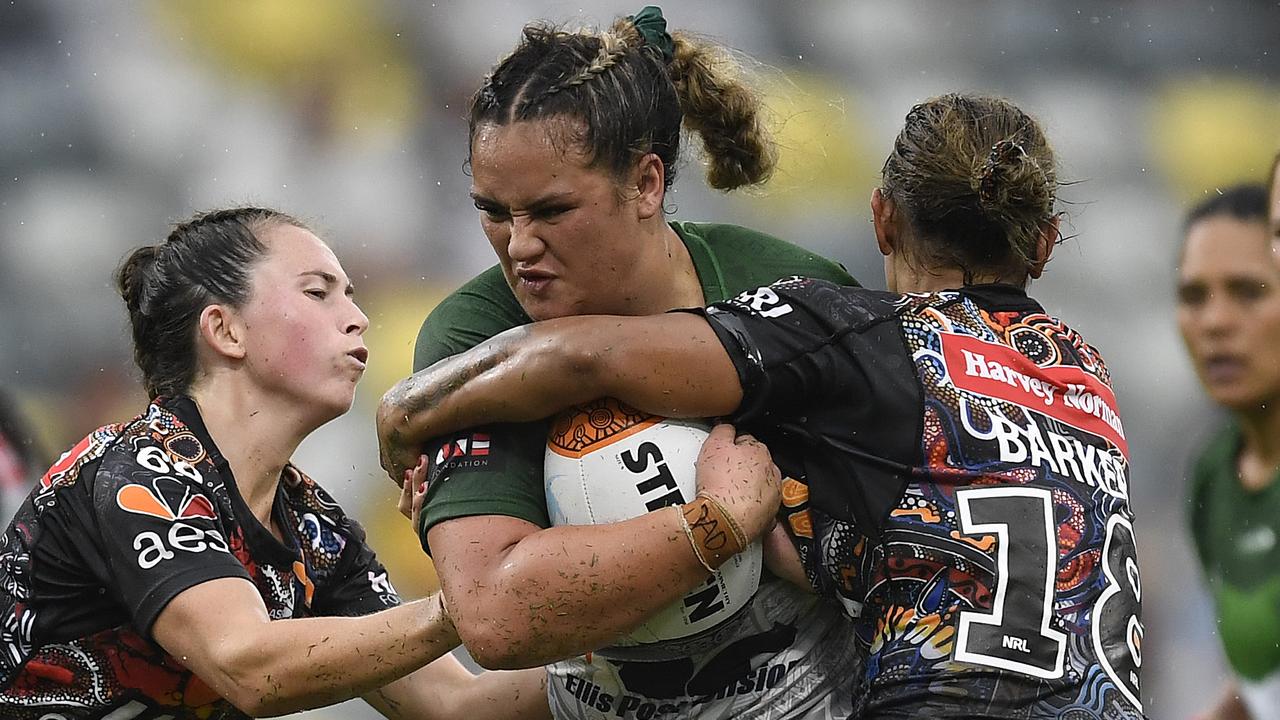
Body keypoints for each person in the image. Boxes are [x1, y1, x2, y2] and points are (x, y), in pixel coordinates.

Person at [380, 93, 1146, 719]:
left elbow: (585, 355)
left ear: (882, 218)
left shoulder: (866, 336)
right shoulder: (1089, 375)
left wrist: (407, 413)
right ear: (1045, 246)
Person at [377, 6, 864, 718]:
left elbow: (891, 549)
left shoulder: (789, 288)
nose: (517, 247)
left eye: (550, 211)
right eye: (493, 211)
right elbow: (495, 619)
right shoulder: (471, 335)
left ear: (646, 183)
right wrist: (718, 524)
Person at [0, 207, 550, 719]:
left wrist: (617, 681)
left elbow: (455, 704)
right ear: (225, 331)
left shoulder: (315, 529)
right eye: (318, 292)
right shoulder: (137, 470)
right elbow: (251, 666)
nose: (358, 318)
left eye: (352, 295)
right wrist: (472, 597)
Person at [1180, 176, 1280, 720]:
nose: (1214, 322)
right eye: (1194, 296)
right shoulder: (1214, 476)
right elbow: (1260, 685)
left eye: (1248, 291)